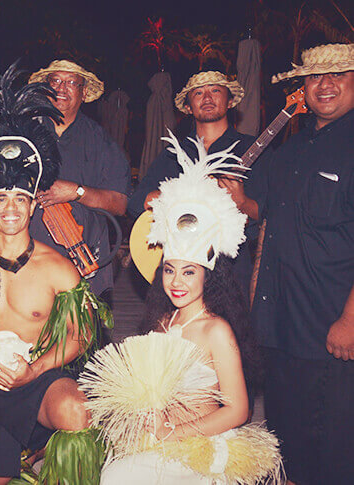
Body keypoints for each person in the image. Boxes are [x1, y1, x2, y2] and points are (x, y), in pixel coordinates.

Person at [0, 64, 110, 485]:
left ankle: (50, 455)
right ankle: (16, 458)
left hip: (43, 380)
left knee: (78, 413)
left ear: (34, 205)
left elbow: (81, 335)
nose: (11, 208)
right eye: (1, 198)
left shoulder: (58, 268)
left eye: (21, 198)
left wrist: (34, 371)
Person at [84, 133, 281, 484]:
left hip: (200, 447)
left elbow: (238, 409)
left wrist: (172, 432)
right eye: (170, 270)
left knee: (120, 476)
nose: (177, 281)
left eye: (189, 272)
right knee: (110, 469)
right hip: (160, 441)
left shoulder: (215, 330)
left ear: (208, 275)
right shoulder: (162, 321)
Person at [252, 43, 354, 485]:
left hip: (331, 332)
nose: (325, 84)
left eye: (339, 75)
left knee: (332, 452)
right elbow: (269, 221)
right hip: (280, 328)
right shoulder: (288, 152)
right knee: (285, 445)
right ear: (303, 88)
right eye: (315, 77)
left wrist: (351, 317)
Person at [129, 70, 268, 290]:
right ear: (188, 107)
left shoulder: (255, 149)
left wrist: (243, 203)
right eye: (198, 93)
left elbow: (271, 212)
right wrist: (174, 195)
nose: (207, 98)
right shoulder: (175, 152)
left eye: (215, 90)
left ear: (230, 102)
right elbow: (136, 202)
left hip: (232, 269)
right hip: (180, 268)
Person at [27, 60, 131, 300]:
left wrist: (77, 191)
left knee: (80, 334)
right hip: (28, 261)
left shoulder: (101, 141)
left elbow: (120, 203)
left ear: (84, 93)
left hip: (83, 261)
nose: (62, 88)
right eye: (55, 81)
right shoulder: (23, 133)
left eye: (72, 82)